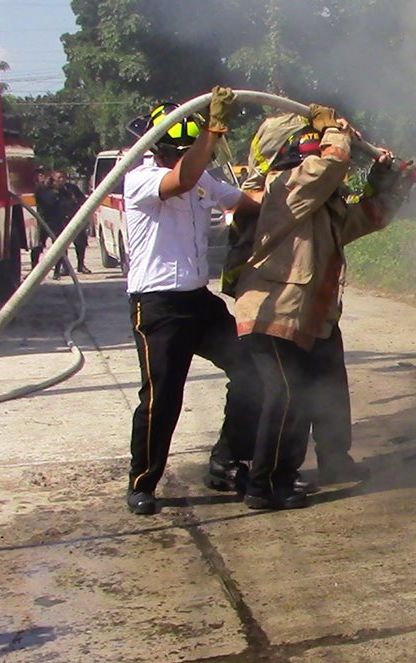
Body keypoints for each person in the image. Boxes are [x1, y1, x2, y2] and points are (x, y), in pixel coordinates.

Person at [231, 105, 416, 510]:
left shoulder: (320, 205)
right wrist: (336, 130)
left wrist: (390, 181)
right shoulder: (284, 190)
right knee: (284, 396)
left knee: (311, 392)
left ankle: (291, 475)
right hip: (271, 313)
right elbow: (330, 165)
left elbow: (369, 217)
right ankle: (262, 486)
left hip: (308, 315)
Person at [122, 87, 262, 515]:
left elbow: (246, 202)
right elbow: (180, 180)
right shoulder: (141, 178)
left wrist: (309, 190)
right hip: (158, 306)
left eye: (189, 150)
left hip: (198, 302)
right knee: (163, 395)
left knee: (251, 371)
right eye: (176, 150)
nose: (183, 158)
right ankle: (142, 481)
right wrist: (213, 131)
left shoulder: (201, 177)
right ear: (157, 148)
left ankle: (225, 459)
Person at [53, 170, 91, 273]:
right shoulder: (51, 190)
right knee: (61, 246)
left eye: (63, 178)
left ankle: (81, 265)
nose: (61, 180)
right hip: (59, 221)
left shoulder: (71, 188)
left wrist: (76, 201)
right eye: (58, 178)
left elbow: (82, 199)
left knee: (80, 243)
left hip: (74, 219)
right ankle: (64, 267)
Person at [31, 168, 64, 278]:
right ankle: (34, 270)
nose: (60, 181)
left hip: (57, 222)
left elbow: (75, 200)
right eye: (57, 179)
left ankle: (57, 272)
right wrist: (44, 185)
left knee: (59, 248)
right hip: (43, 221)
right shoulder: (41, 189)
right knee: (37, 247)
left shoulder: (65, 190)